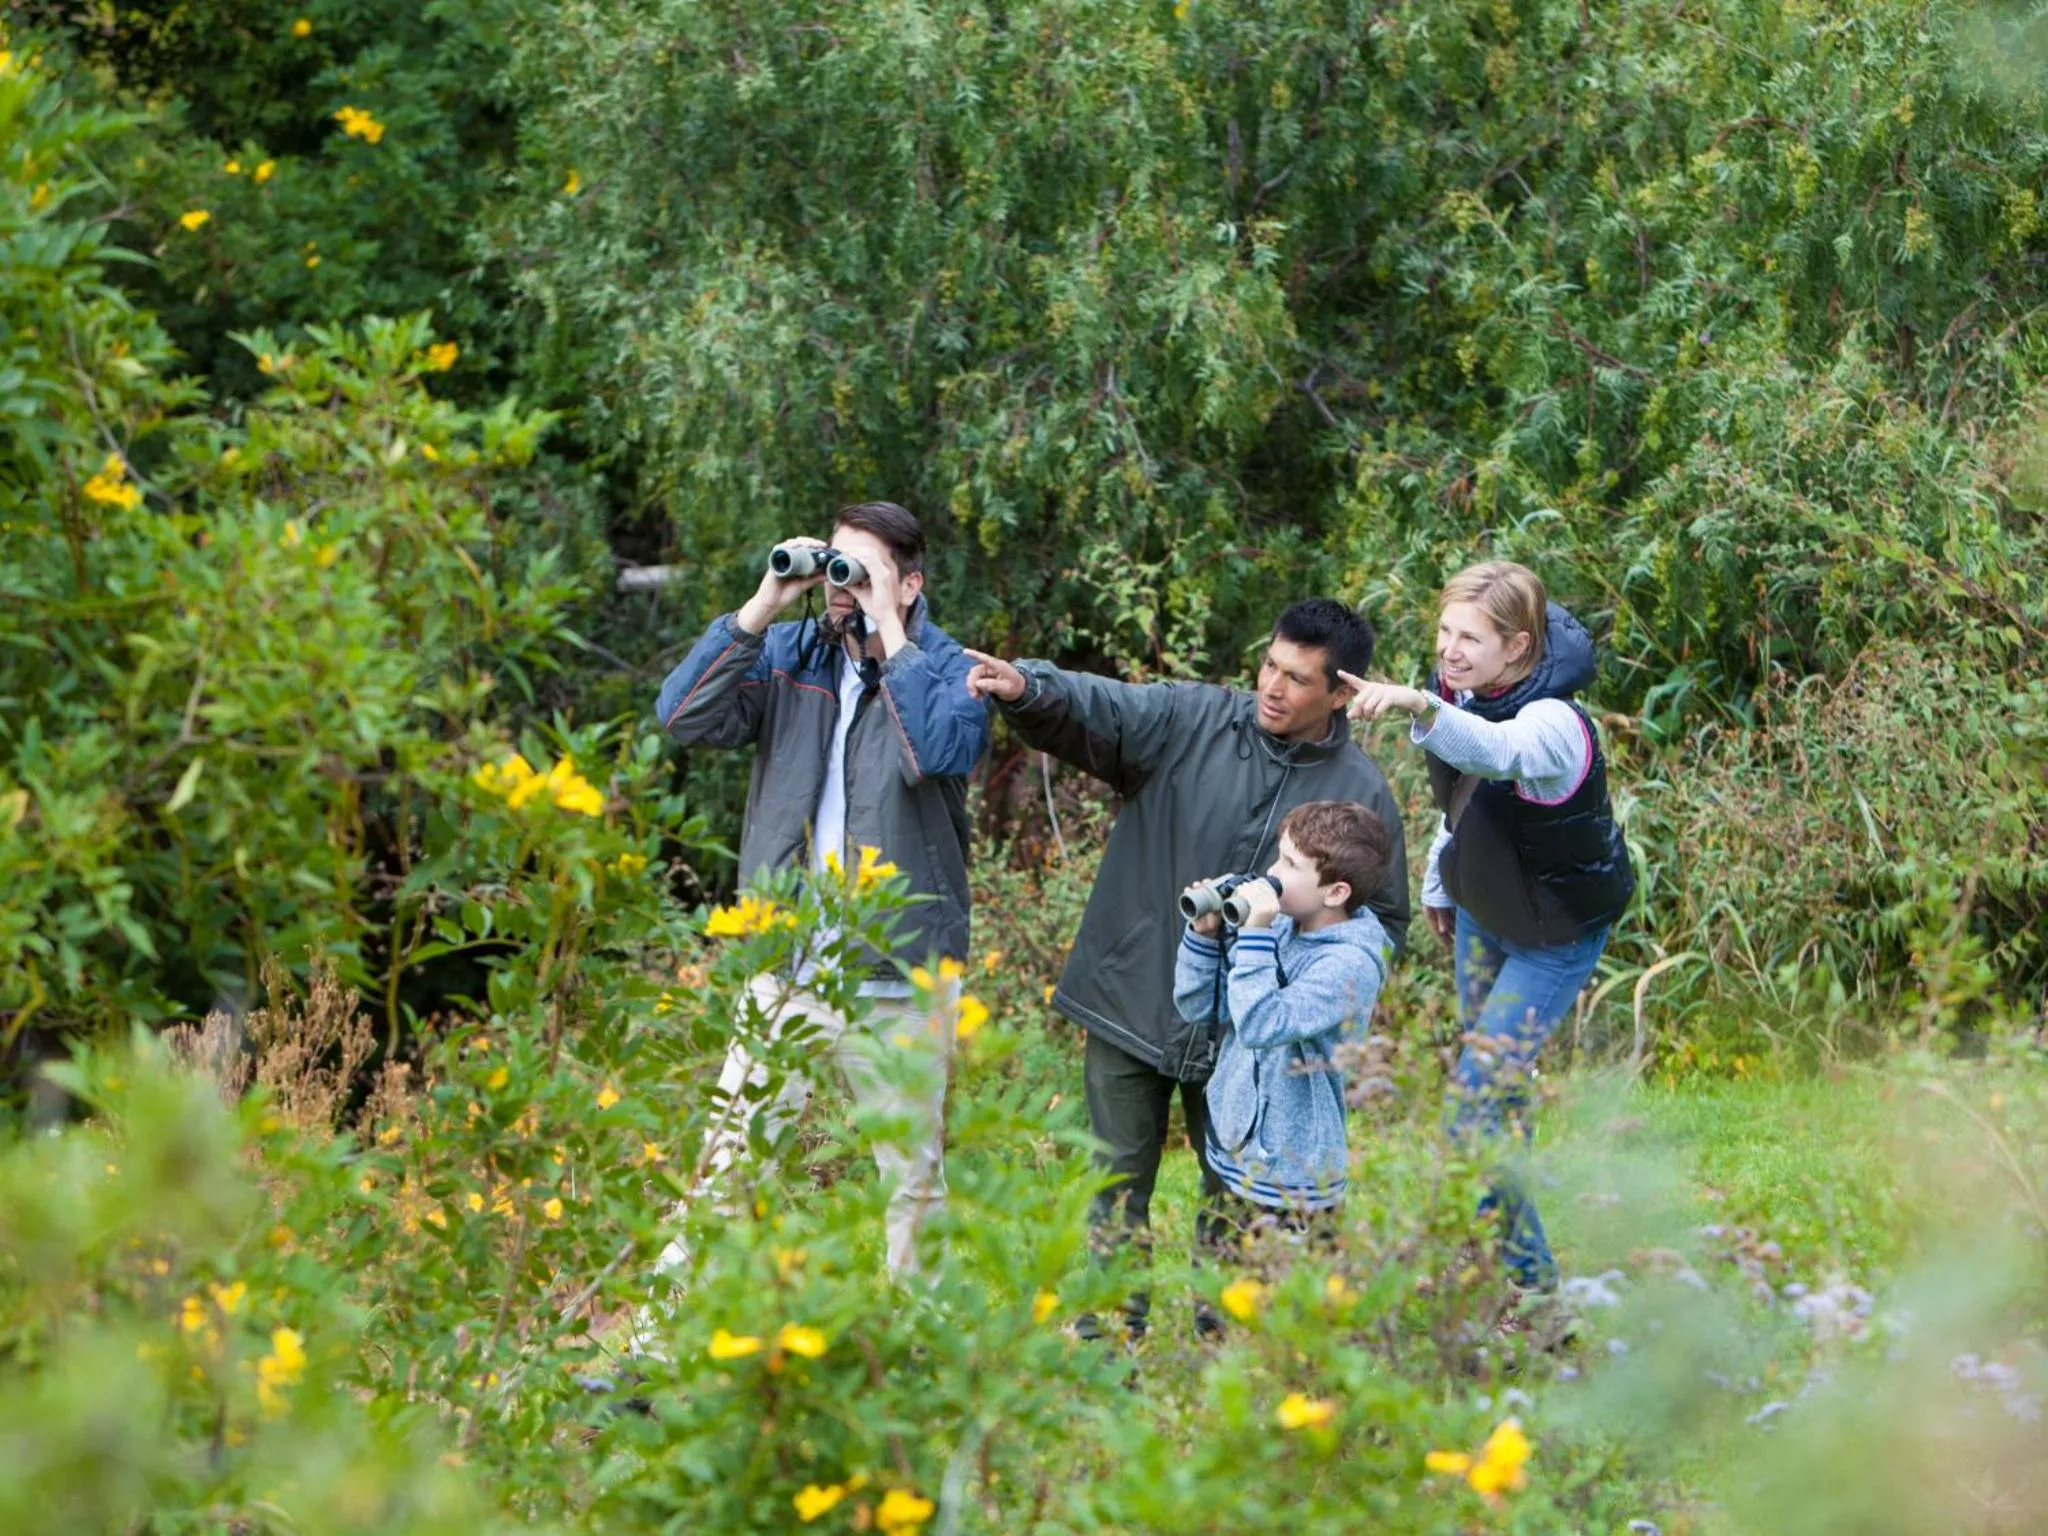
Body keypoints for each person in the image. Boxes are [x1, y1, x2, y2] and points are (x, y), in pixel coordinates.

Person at [964, 600, 1410, 1335]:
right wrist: (1030, 687)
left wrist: (1305, 985)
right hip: (1132, 995)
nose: (1271, 686)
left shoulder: (1361, 793)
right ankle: (1107, 1339)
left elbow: (1379, 920)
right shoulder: (1193, 719)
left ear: (1342, 692)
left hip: (1249, 1033)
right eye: (1269, 664)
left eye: (1297, 679)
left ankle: (1223, 1343)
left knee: (1234, 1193)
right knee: (1114, 1184)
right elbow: (1102, 709)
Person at [654, 501, 989, 1282]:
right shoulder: (786, 655)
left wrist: (891, 636)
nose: (844, 587)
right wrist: (768, 601)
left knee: (910, 1183)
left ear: (910, 583)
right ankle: (650, 1355)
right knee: (729, 1168)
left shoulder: (949, 668)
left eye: (863, 571)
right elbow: (681, 716)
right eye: (836, 566)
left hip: (899, 973)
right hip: (788, 967)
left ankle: (924, 1355)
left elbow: (938, 751)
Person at [1341, 560, 1634, 1296]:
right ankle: (1505, 1276)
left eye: (1470, 637)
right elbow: (1465, 802)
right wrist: (1448, 879)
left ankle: (1518, 1280)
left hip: (1554, 936)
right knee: (1496, 1100)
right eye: (1444, 631)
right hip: (1485, 913)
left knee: (1474, 1105)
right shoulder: (1464, 690)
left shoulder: (1554, 724)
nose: (1450, 650)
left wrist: (1417, 705)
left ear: (1521, 646)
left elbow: (1496, 756)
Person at [1173, 801, 1393, 1250]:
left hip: (1296, 1177)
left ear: (1335, 893)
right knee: (1216, 1297)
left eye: (1291, 864)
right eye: (1279, 855)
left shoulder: (1350, 965)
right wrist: (1203, 935)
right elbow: (1202, 1009)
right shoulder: (1282, 928)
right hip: (1234, 1154)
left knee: (1284, 1311)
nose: (1272, 872)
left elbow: (1260, 1023)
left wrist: (1254, 934)